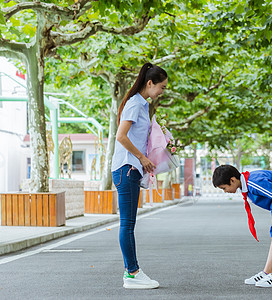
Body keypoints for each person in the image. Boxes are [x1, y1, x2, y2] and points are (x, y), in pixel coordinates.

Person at [111, 62, 167, 289]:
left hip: (130, 170)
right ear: (150, 83)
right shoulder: (135, 104)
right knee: (127, 224)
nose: (162, 91)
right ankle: (132, 273)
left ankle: (131, 272)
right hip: (126, 168)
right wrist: (142, 158)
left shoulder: (141, 105)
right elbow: (121, 136)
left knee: (129, 224)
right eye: (161, 87)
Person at [212, 165, 272, 288]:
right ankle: (267, 272)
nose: (225, 191)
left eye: (224, 188)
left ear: (232, 180)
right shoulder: (246, 184)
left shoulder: (253, 183)